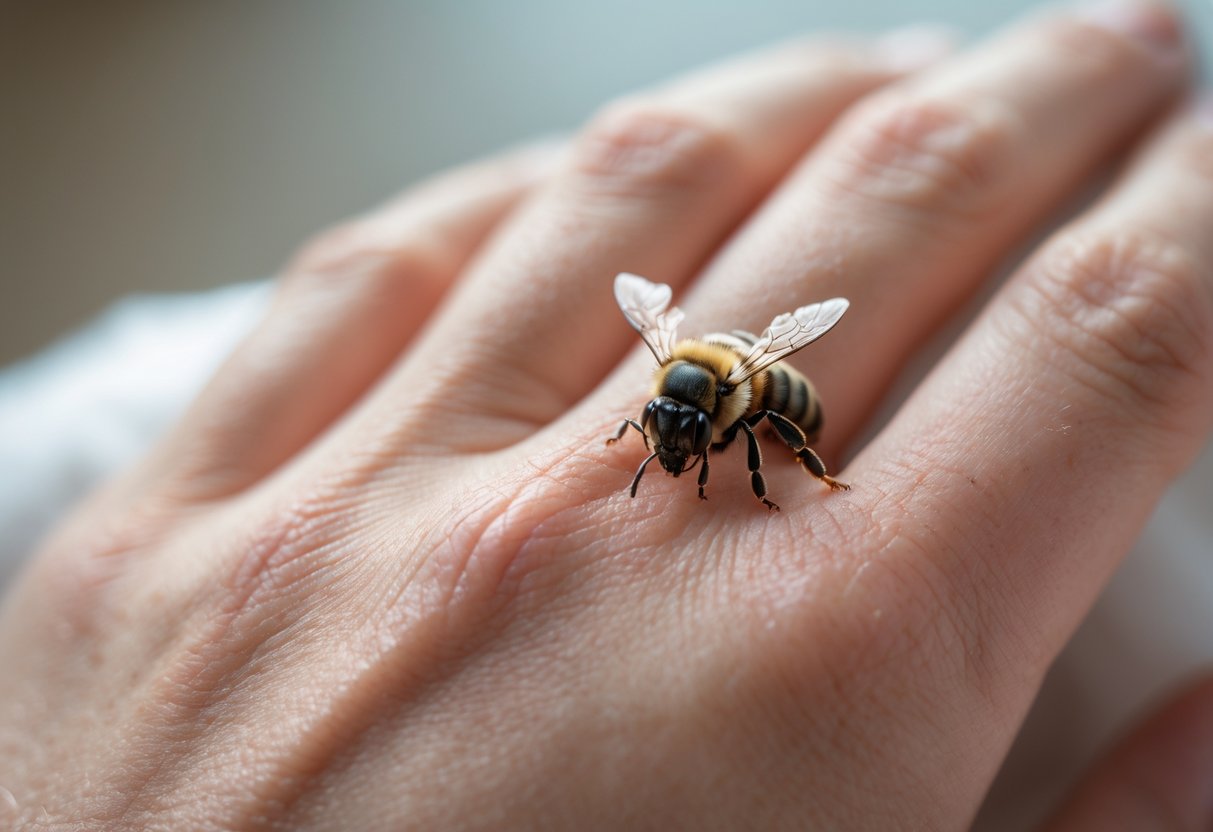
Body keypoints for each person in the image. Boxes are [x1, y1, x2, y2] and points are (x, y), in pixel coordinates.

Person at [2, 2, 1211, 828]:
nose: (672, 444)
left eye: (677, 433)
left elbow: (746, 396)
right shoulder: (663, 387)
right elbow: (670, 398)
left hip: (768, 371)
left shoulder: (727, 398)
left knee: (773, 421)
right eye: (666, 433)